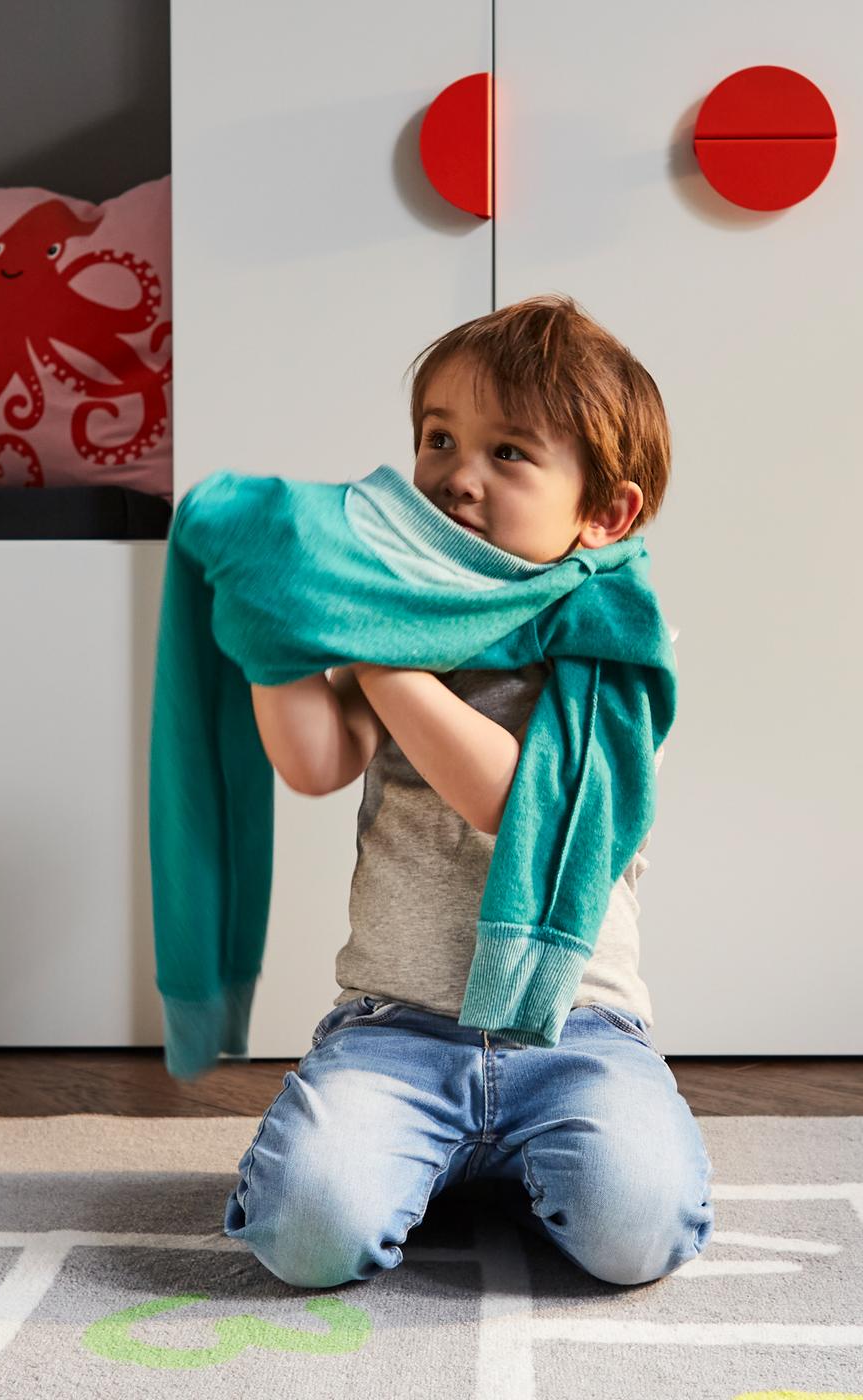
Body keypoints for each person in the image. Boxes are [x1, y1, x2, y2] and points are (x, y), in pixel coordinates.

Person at [223, 293, 713, 1288]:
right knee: (306, 1232)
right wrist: (271, 639)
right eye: (439, 438)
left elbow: (518, 803)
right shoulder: (396, 621)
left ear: (603, 513)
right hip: (395, 1029)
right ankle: (421, 1155)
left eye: (508, 453)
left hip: (578, 1035)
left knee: (634, 1230)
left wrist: (377, 657)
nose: (457, 475)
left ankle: (509, 1161)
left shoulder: (620, 657)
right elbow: (317, 763)